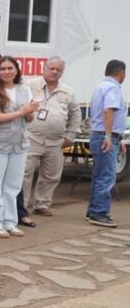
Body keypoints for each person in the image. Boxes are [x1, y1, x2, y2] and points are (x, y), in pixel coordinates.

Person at [0, 56, 37, 238]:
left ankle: (10, 222)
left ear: (16, 70)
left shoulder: (24, 90)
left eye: (10, 68)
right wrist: (21, 112)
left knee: (13, 185)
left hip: (19, 143)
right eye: (3, 69)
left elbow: (29, 119)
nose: (6, 72)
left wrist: (29, 112)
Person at [22, 57, 81, 219]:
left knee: (51, 175)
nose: (54, 72)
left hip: (55, 141)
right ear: (44, 68)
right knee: (24, 174)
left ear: (62, 72)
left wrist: (70, 135)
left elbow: (75, 114)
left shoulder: (68, 92)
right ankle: (21, 206)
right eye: (51, 68)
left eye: (58, 69)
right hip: (31, 137)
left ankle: (42, 204)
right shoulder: (30, 85)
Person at [86, 59, 127, 227]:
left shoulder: (101, 87)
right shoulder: (112, 88)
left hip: (100, 135)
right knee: (106, 177)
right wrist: (109, 136)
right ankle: (99, 212)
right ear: (122, 73)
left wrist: (117, 137)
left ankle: (93, 210)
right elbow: (108, 111)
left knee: (99, 175)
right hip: (105, 136)